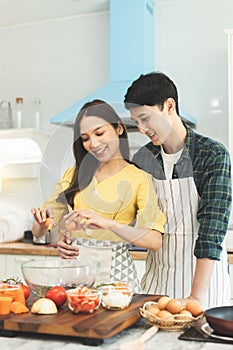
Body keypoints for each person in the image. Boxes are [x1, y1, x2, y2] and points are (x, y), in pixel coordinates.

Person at [31, 99, 165, 291]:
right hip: (74, 275)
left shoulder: (139, 178)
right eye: (85, 138)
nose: (93, 144)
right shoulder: (73, 174)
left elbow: (154, 241)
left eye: (100, 133)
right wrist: (43, 224)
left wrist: (109, 223)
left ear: (119, 129)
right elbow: (39, 231)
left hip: (116, 278)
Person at [124, 71, 232, 308]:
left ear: (169, 106)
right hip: (157, 284)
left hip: (203, 289)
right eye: (136, 122)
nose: (141, 129)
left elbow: (212, 230)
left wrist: (195, 297)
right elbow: (126, 216)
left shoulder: (211, 154)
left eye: (145, 118)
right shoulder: (144, 157)